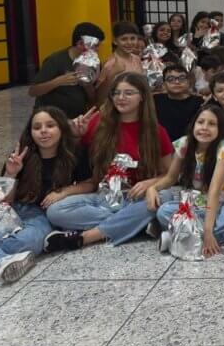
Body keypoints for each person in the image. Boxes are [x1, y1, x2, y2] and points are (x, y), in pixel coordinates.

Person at [0, 107, 90, 282]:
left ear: (61, 128)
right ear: (31, 132)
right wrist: (11, 173)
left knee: (21, 244)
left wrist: (64, 192)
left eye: (50, 126)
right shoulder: (21, 155)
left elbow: (90, 184)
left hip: (42, 216)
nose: (43, 131)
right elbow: (6, 201)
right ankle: (2, 260)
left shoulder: (74, 153)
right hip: (14, 209)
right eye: (37, 127)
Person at [43, 72, 174, 252]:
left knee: (164, 197)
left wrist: (149, 183)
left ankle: (86, 237)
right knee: (55, 211)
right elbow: (74, 161)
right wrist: (75, 136)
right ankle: (137, 223)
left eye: (128, 93)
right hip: (104, 197)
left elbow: (171, 174)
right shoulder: (98, 123)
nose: (121, 98)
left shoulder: (156, 132)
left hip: (137, 197)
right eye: (116, 93)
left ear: (142, 96)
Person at [151, 104, 224, 256]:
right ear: (193, 124)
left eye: (212, 124)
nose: (204, 127)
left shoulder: (223, 149)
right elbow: (170, 178)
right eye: (200, 122)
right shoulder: (184, 144)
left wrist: (208, 231)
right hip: (197, 204)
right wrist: (152, 188)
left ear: (220, 129)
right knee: (163, 211)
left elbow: (214, 192)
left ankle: (183, 236)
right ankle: (218, 234)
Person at [28, 21, 105, 118]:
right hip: (51, 118)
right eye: (95, 46)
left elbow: (93, 99)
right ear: (80, 43)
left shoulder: (94, 63)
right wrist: (58, 81)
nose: (97, 50)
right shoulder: (55, 60)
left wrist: (88, 86)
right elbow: (33, 91)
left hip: (77, 118)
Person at [94, 21, 145, 105]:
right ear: (115, 41)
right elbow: (100, 97)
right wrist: (112, 74)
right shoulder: (110, 63)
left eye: (133, 38)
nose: (129, 42)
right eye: (124, 39)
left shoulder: (137, 59)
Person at [153, 64, 202, 141]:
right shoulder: (155, 100)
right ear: (164, 84)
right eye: (171, 79)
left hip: (189, 144)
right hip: (162, 144)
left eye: (181, 78)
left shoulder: (199, 102)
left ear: (188, 82)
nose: (177, 82)